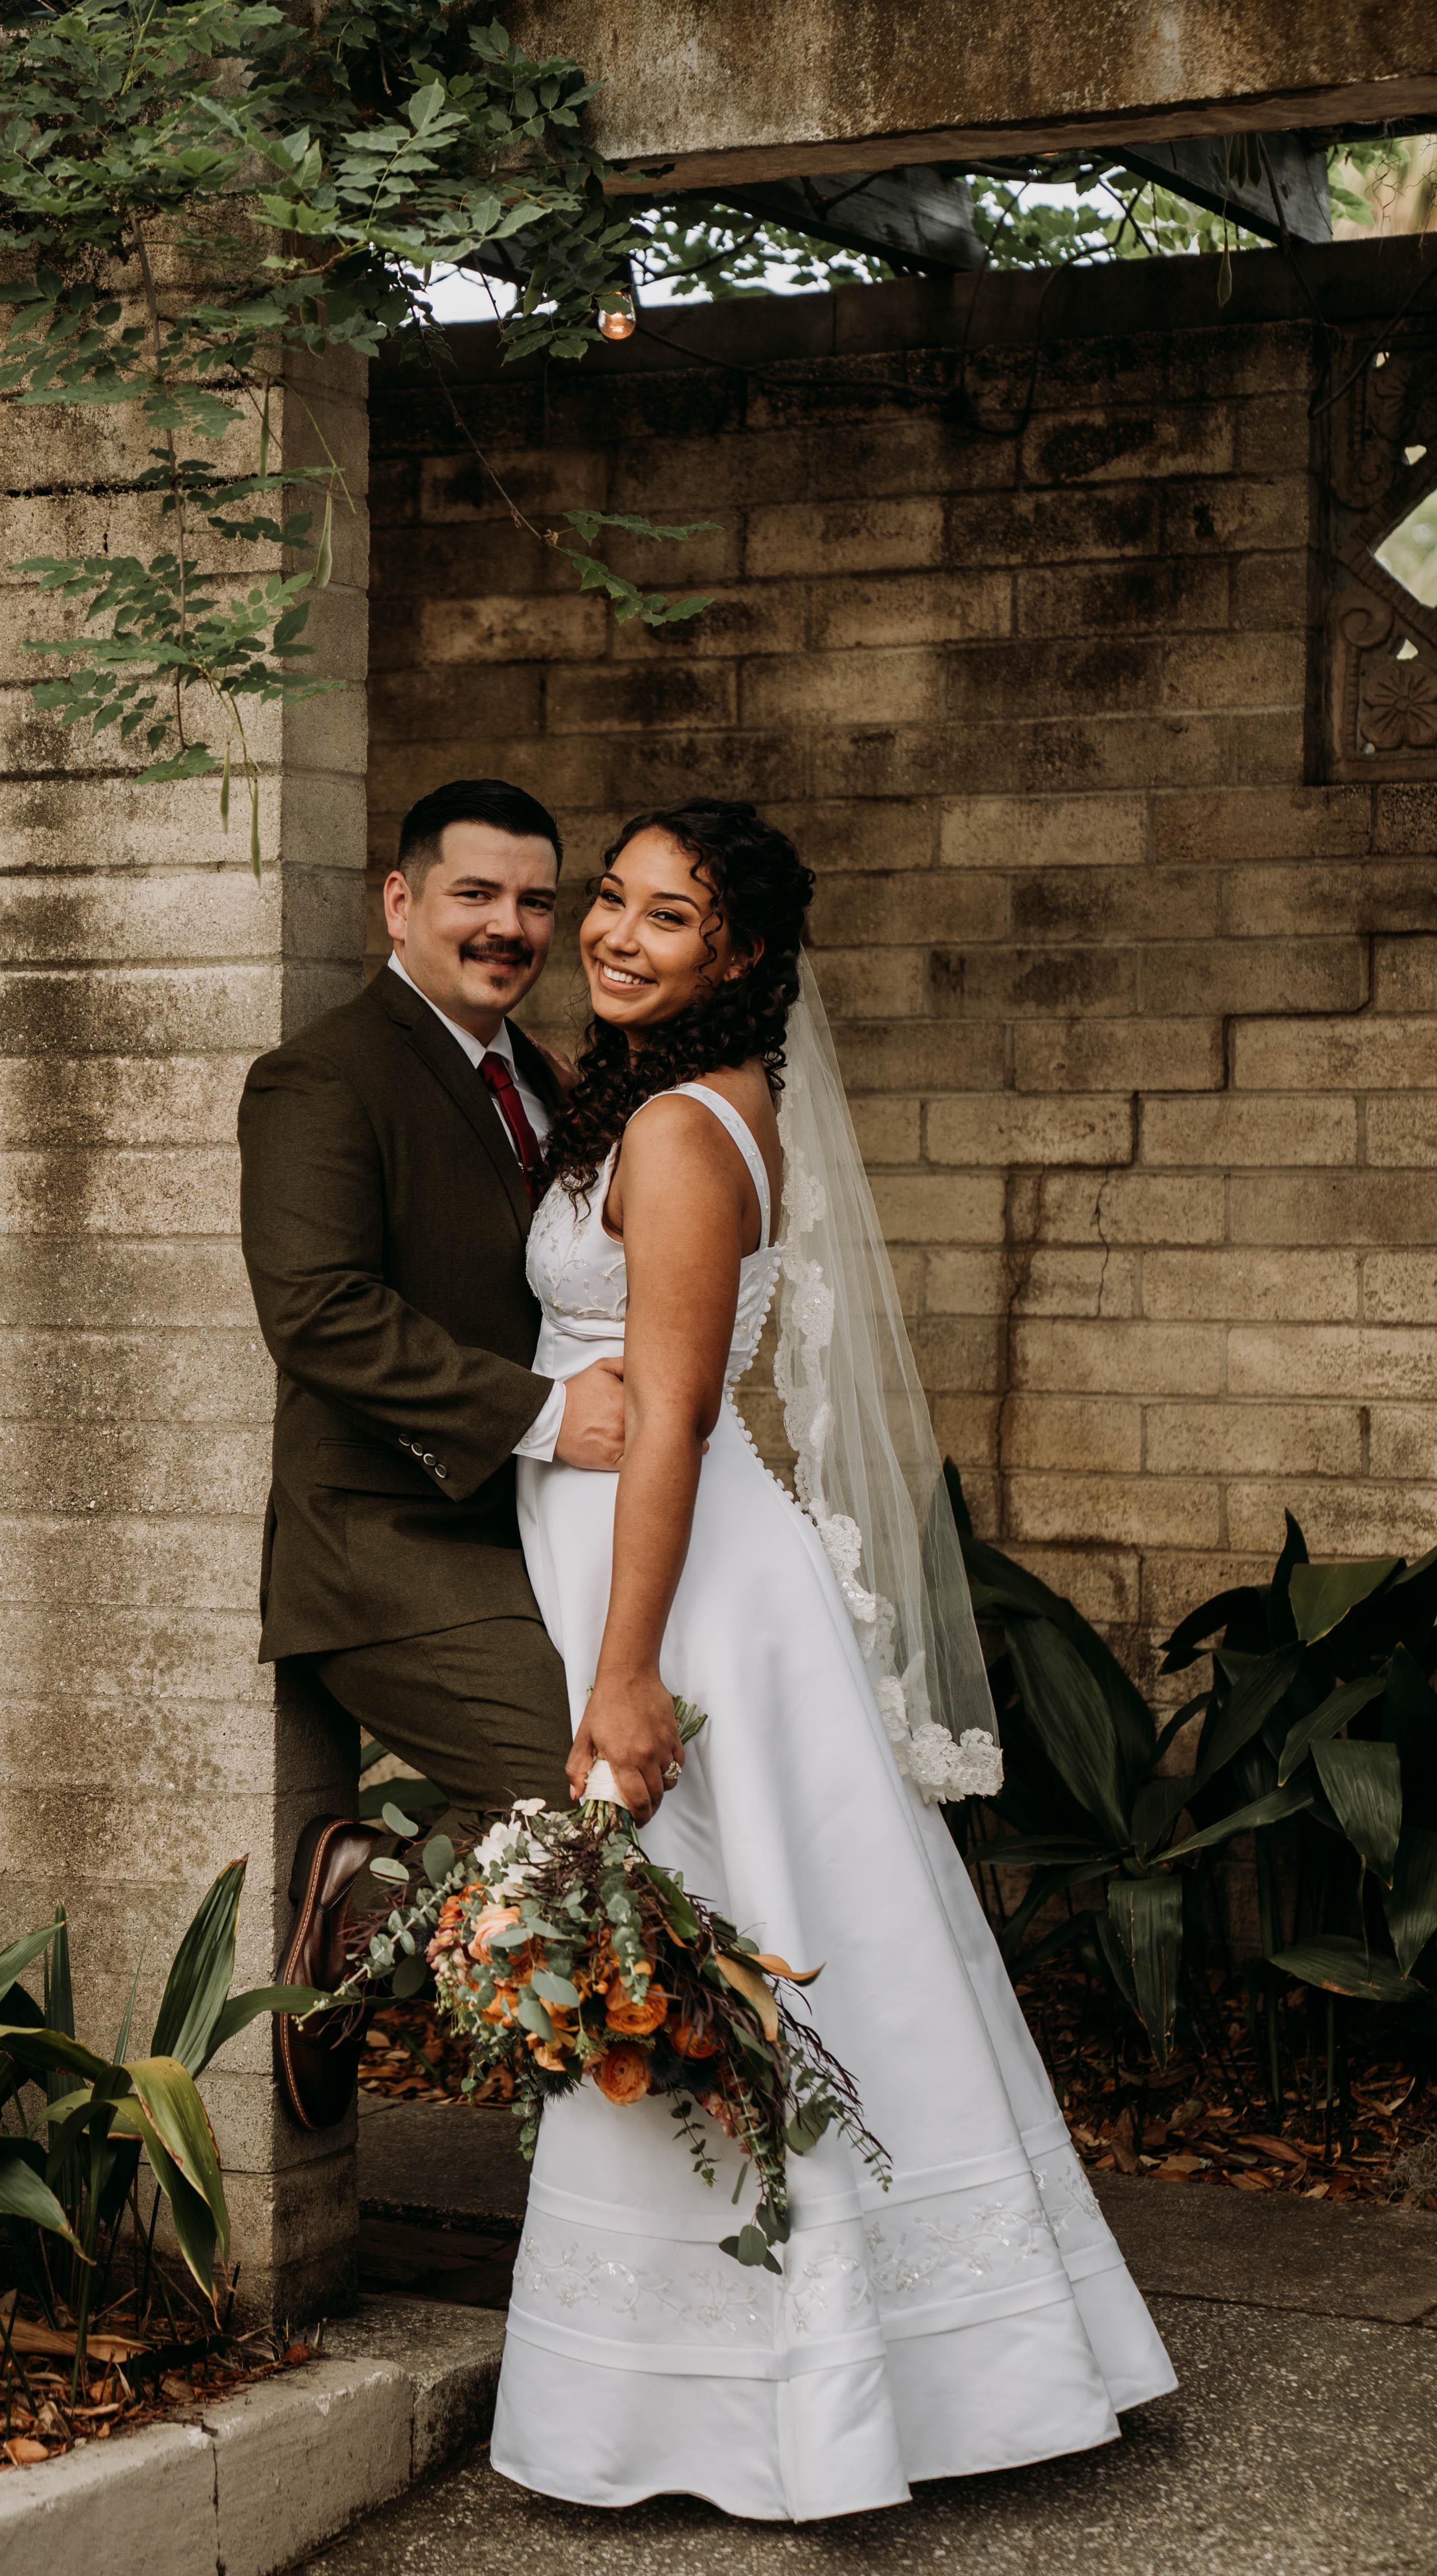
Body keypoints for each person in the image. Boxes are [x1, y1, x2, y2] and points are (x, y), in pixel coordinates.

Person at [488, 797, 1175, 2523]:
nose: (615, 933)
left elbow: (672, 1418)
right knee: (764, 1943)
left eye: (668, 916)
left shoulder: (679, 1132)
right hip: (661, 1557)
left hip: (683, 1583)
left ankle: (781, 2388)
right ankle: (849, 2362)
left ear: (739, 954)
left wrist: (627, 1674)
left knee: (716, 1941)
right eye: (613, 900)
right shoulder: (682, 1096)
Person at [238, 777, 625, 2123]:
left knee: (662, 1755)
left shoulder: (546, 1081)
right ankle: (368, 1909)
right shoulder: (323, 1076)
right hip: (385, 1536)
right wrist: (546, 1414)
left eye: (535, 901)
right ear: (400, 903)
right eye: (476, 893)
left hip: (535, 1526)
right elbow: (318, 1312)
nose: (509, 925)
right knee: (570, 1789)